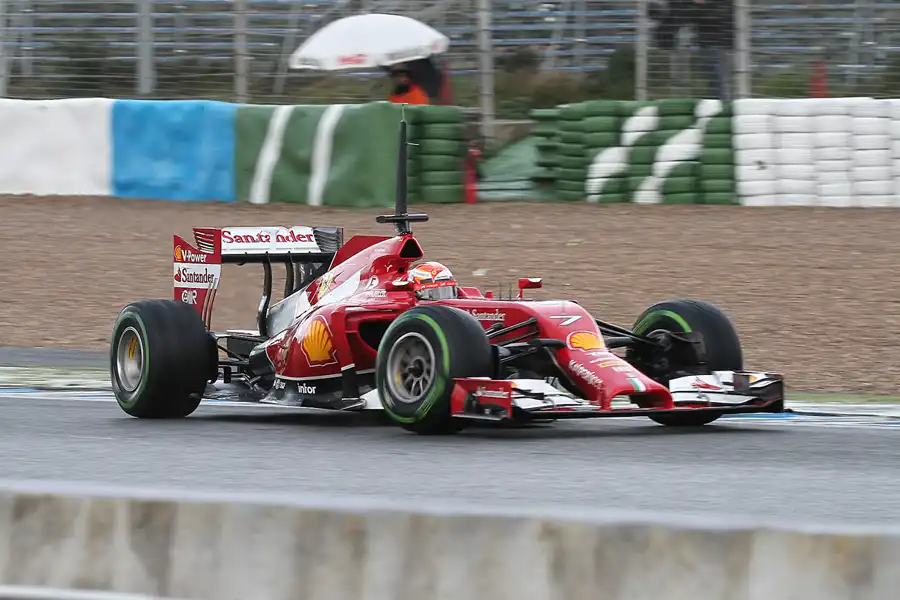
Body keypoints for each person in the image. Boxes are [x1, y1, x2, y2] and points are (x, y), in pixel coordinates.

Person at [691, 0, 734, 100]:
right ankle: (715, 102)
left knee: (719, 80)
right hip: (704, 45)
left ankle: (722, 105)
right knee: (710, 79)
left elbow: (715, 18)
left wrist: (702, 5)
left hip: (719, 45)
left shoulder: (723, 5)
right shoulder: (698, 7)